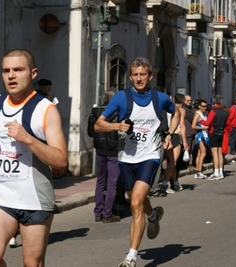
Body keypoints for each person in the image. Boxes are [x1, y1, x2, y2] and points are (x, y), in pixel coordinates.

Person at [0, 49, 67, 267]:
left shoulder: (46, 109)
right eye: (6, 70)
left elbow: (61, 162)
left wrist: (29, 139)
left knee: (32, 263)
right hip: (2, 194)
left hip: (34, 199)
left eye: (18, 70)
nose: (11, 76)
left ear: (33, 73)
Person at [95, 57, 180, 267]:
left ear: (150, 76)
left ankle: (131, 257)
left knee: (134, 204)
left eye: (143, 74)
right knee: (137, 201)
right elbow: (98, 125)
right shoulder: (121, 98)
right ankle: (153, 216)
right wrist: (116, 127)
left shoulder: (160, 97)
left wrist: (169, 133)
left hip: (150, 156)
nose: (139, 78)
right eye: (135, 75)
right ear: (130, 76)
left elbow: (175, 112)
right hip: (126, 158)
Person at [88, 88, 121, 223]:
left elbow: (90, 133)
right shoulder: (118, 113)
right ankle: (107, 213)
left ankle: (98, 212)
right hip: (113, 151)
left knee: (100, 182)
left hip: (99, 149)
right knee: (112, 182)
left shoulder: (94, 114)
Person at [160, 93, 188, 194]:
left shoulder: (163, 108)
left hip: (166, 134)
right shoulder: (180, 110)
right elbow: (182, 126)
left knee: (171, 161)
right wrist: (185, 141)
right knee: (173, 162)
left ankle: (175, 182)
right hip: (175, 135)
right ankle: (164, 183)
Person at [200, 95, 228, 180]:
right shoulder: (224, 112)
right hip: (221, 133)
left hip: (213, 133)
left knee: (214, 154)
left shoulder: (213, 111)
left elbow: (207, 123)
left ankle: (216, 172)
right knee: (220, 154)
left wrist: (200, 120)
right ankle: (220, 172)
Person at [192, 99, 209, 179]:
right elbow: (193, 125)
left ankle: (198, 170)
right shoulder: (198, 114)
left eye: (206, 106)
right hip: (200, 134)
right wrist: (203, 127)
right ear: (199, 106)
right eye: (203, 106)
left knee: (199, 153)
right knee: (203, 153)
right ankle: (199, 171)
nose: (205, 108)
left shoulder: (205, 113)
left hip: (205, 134)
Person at [183, 94, 196, 170]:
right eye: (187, 100)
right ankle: (186, 164)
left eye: (190, 100)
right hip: (187, 132)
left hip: (192, 132)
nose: (189, 102)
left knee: (191, 149)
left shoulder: (191, 109)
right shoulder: (184, 110)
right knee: (187, 149)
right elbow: (192, 118)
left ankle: (190, 163)